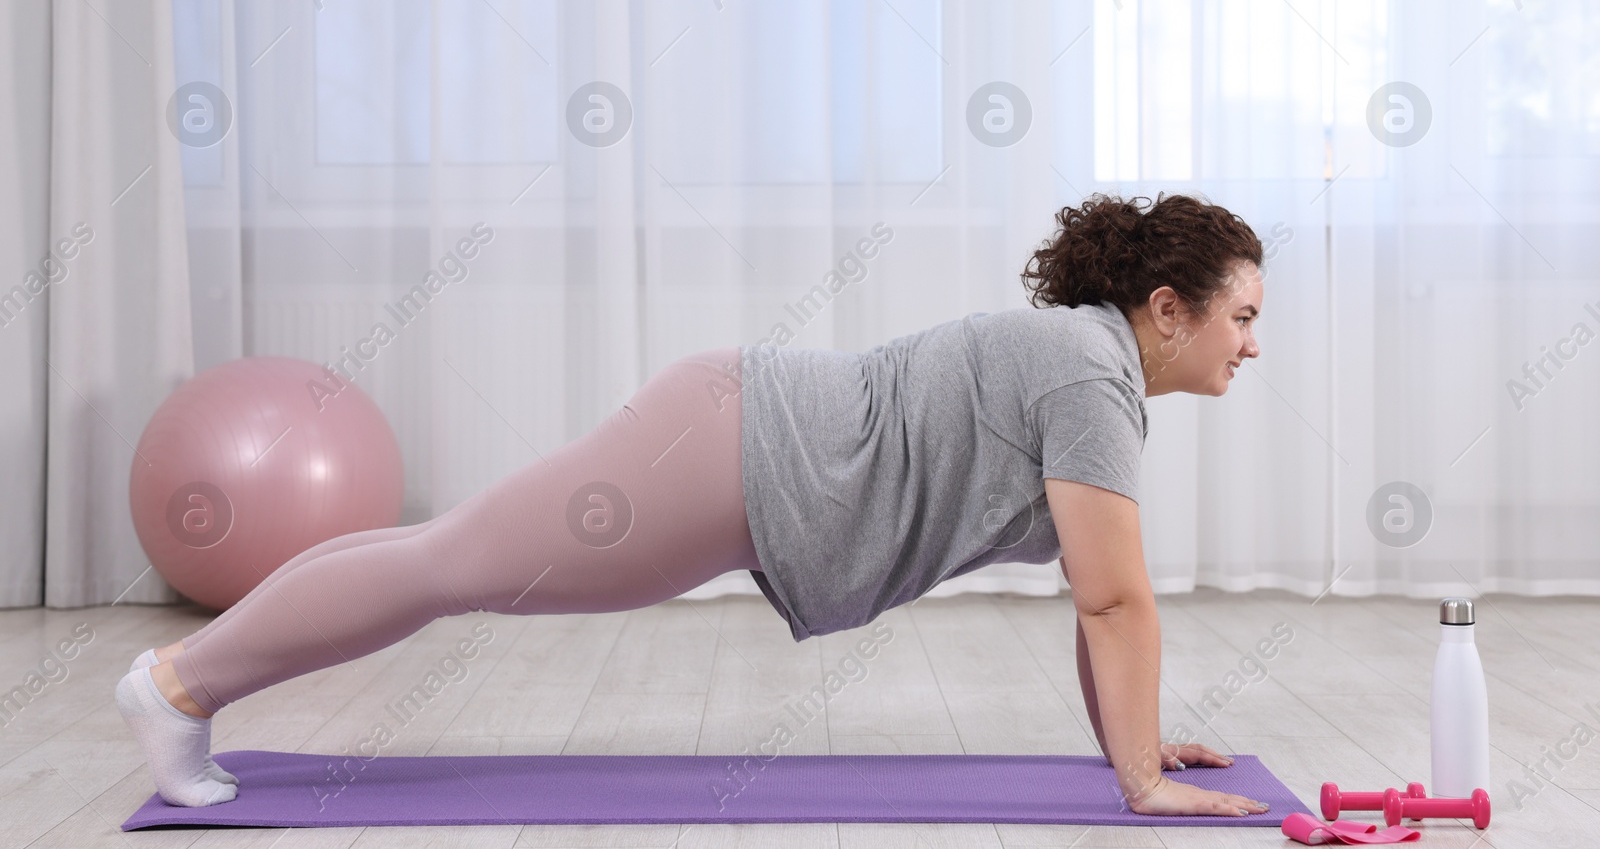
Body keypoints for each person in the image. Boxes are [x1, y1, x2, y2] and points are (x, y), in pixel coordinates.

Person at [118, 190, 1269, 820]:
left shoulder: (1088, 373)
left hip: (738, 445)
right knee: (450, 565)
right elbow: (1117, 599)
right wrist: (1139, 782)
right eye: (1241, 318)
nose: (1251, 345)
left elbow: (1096, 599)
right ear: (1166, 307)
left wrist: (1137, 743)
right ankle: (175, 685)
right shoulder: (1087, 375)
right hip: (737, 451)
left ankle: (186, 684)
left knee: (445, 554)